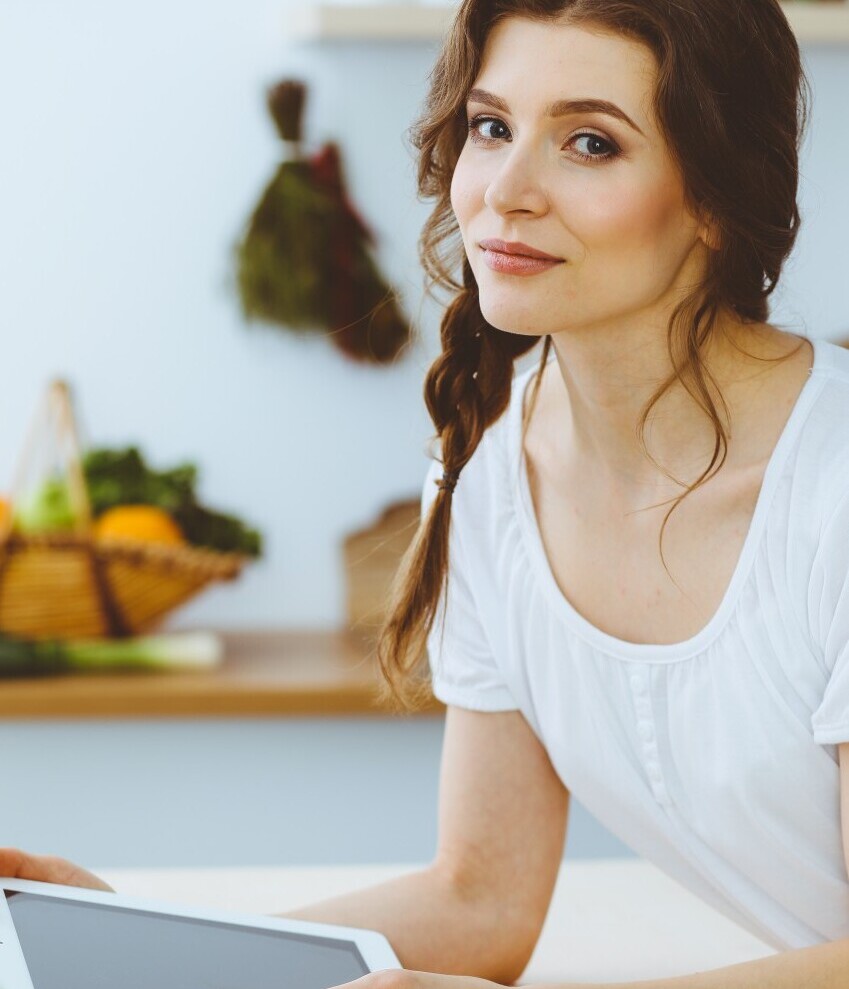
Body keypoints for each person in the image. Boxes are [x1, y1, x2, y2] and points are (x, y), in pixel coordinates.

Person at [3, 0, 848, 986]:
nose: (504, 191)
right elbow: (479, 897)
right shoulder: (489, 469)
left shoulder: (829, 491)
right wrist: (164, 948)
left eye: (589, 143)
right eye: (490, 127)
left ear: (715, 196)